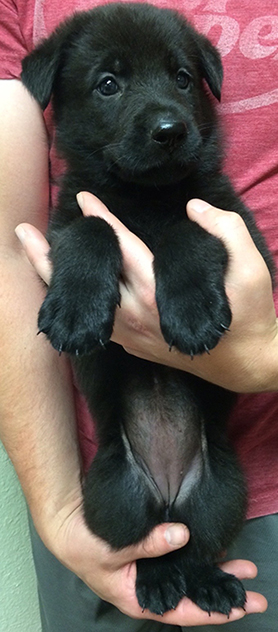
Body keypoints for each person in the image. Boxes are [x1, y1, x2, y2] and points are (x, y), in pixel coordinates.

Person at [0, 1, 277, 631]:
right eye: (109, 84)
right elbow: (16, 251)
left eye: (181, 79)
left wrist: (259, 353)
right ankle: (154, 562)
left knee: (214, 499)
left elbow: (241, 261)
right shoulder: (82, 210)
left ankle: (200, 563)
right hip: (115, 464)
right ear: (59, 104)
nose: (164, 113)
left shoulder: (210, 203)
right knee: (119, 510)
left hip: (242, 463)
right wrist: (57, 509)